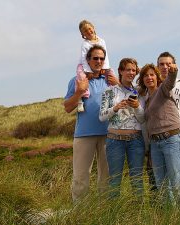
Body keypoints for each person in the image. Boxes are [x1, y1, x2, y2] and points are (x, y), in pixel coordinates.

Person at [64, 45, 119, 202]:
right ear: (88, 60)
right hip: (84, 134)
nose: (99, 61)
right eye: (95, 58)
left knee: (107, 177)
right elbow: (68, 108)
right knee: (81, 177)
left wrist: (118, 84)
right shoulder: (77, 81)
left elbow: (125, 98)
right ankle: (80, 213)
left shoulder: (110, 80)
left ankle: (105, 212)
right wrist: (79, 92)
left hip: (108, 134)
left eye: (102, 58)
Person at [137, 63, 180, 205]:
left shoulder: (163, 89)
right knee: (162, 186)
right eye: (145, 75)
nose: (149, 77)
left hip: (171, 139)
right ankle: (169, 217)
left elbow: (170, 81)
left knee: (177, 183)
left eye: (152, 74)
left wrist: (173, 71)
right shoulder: (146, 101)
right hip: (155, 144)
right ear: (142, 80)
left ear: (157, 77)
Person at [146, 52, 180, 193]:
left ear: (173, 65)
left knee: (178, 182)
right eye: (161, 64)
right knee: (162, 185)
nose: (165, 67)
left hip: (175, 137)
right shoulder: (153, 89)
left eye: (168, 64)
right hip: (156, 140)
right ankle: (168, 214)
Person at [99, 58, 145, 199]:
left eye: (133, 70)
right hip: (114, 141)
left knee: (137, 178)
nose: (131, 72)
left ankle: (139, 212)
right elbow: (101, 116)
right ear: (120, 71)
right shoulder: (109, 91)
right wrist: (115, 107)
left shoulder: (140, 92)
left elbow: (143, 119)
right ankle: (113, 214)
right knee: (115, 179)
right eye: (128, 69)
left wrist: (137, 106)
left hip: (136, 141)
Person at [76, 20, 115, 112]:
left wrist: (105, 68)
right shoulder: (85, 44)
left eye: (89, 29)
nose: (88, 32)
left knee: (111, 74)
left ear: (93, 28)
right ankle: (81, 99)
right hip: (85, 64)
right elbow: (84, 58)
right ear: (83, 35)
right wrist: (88, 71)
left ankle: (112, 96)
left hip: (101, 64)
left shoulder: (102, 41)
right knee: (80, 77)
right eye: (85, 31)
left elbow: (105, 56)